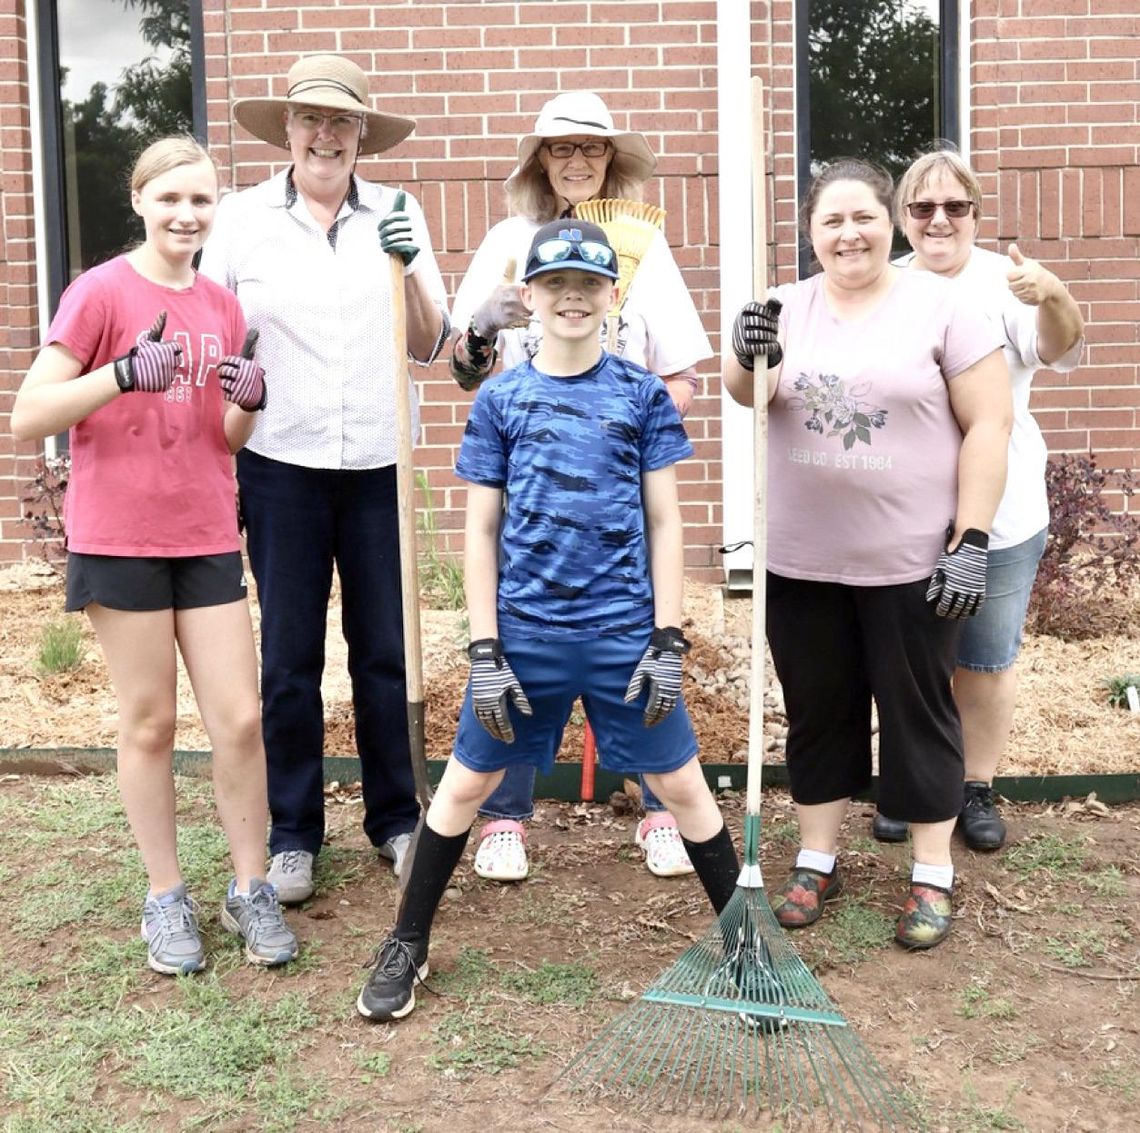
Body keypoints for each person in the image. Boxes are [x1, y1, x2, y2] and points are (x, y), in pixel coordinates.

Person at [356, 221, 740, 1021]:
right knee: (465, 784)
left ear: (613, 297)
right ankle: (408, 940)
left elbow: (666, 523)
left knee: (682, 784)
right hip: (524, 636)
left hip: (623, 634)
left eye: (589, 284)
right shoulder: (500, 400)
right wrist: (485, 646)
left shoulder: (639, 396)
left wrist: (668, 639)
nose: (572, 296)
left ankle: (747, 945)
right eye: (555, 283)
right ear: (527, 297)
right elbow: (481, 530)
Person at [10, 137, 297, 974]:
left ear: (217, 210)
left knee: (239, 719)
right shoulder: (98, 293)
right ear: (140, 200)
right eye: (170, 198)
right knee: (151, 722)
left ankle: (250, 887)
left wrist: (251, 403)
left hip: (205, 530)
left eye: (202, 201)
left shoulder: (219, 306)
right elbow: (31, 413)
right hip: (121, 537)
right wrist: (123, 373)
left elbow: (224, 436)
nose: (186, 214)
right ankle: (165, 896)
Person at [724, 159, 1012, 949]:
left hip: (913, 560)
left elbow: (990, 424)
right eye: (831, 221)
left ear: (890, 223)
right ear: (811, 232)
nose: (849, 233)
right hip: (803, 560)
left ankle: (930, 871)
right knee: (818, 710)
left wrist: (972, 538)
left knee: (918, 709)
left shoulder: (944, 308)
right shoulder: (782, 306)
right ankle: (817, 857)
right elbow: (753, 390)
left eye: (864, 218)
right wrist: (746, 348)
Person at [198, 56, 451, 905]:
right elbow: (212, 328)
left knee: (383, 652)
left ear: (360, 137)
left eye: (342, 123)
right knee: (290, 656)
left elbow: (428, 342)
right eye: (311, 119)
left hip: (379, 462)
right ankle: (295, 829)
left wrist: (412, 266)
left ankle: (393, 817)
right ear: (289, 130)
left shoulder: (399, 212)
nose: (326, 135)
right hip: (281, 465)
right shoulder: (240, 221)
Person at [449, 90, 714, 883]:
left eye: (591, 150)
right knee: (528, 631)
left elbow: (682, 373)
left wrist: (627, 434)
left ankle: (660, 807)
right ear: (539, 160)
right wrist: (487, 326)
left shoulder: (643, 246)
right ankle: (503, 815)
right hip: (528, 479)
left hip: (620, 474)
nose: (575, 161)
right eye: (560, 148)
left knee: (625, 633)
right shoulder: (507, 240)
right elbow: (465, 371)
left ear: (610, 160)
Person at [869, 148, 1085, 851]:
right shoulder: (881, 283)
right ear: (903, 218)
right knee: (906, 659)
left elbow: (1060, 345)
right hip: (899, 510)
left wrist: (1053, 293)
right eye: (923, 208)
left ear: (974, 214)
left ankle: (974, 787)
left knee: (986, 658)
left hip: (1003, 509)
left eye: (955, 207)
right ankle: (907, 782)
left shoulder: (1006, 281)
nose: (939, 220)